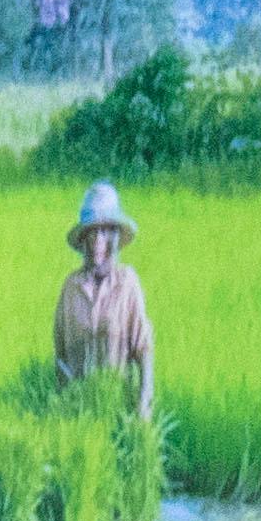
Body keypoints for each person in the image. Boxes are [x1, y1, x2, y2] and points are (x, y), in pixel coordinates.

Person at [54, 177, 157, 417]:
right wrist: (67, 399)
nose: (98, 240)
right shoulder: (71, 288)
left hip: (120, 408)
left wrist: (144, 402)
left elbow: (143, 347)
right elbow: (60, 355)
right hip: (79, 410)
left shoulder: (127, 283)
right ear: (84, 239)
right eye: (92, 232)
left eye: (106, 231)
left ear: (116, 237)